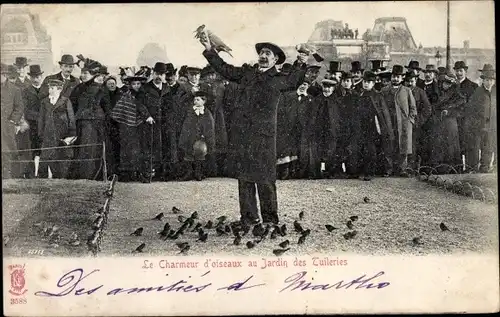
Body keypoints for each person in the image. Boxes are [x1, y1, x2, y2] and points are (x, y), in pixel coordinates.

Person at [200, 36, 306, 226]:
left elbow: (295, 80)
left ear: (275, 60)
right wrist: (210, 50)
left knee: (265, 178)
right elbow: (225, 69)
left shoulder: (279, 79)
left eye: (268, 54)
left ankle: (270, 219)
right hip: (244, 134)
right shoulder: (247, 73)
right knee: (245, 178)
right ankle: (248, 218)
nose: (263, 56)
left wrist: (301, 61)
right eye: (262, 53)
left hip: (265, 136)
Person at [70, 57, 111, 180]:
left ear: (93, 74)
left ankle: (92, 176)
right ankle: (83, 176)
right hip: (80, 125)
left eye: (85, 73)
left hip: (95, 126)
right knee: (82, 151)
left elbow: (107, 108)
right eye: (82, 73)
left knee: (92, 151)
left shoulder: (100, 89)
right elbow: (73, 105)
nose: (82, 75)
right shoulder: (78, 88)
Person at [110, 68, 153, 182]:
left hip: (140, 126)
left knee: (139, 150)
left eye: (139, 83)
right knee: (127, 149)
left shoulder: (144, 95)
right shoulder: (125, 96)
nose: (136, 86)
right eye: (134, 83)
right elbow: (118, 112)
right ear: (129, 84)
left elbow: (144, 108)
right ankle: (127, 174)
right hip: (126, 126)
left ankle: (139, 173)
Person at [352, 71, 394, 180]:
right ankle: (360, 171)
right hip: (361, 125)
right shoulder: (360, 94)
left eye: (369, 82)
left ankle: (369, 172)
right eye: (365, 82)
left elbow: (384, 114)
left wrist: (382, 128)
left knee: (371, 150)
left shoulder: (377, 96)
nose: (366, 84)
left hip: (373, 126)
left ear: (373, 83)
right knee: (360, 148)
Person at [380, 65, 417, 176]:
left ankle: (402, 169)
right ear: (391, 77)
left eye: (398, 77)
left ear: (402, 78)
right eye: (394, 76)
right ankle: (389, 168)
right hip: (389, 122)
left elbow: (413, 107)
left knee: (403, 146)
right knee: (389, 145)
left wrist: (410, 120)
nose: (396, 79)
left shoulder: (407, 91)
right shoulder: (384, 90)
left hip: (403, 123)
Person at [37, 79, 76, 179]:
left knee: (60, 161)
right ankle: (41, 183)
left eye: (52, 88)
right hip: (48, 135)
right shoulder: (44, 102)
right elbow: (41, 119)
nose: (50, 90)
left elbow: (71, 118)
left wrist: (71, 134)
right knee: (44, 160)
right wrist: (41, 134)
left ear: (59, 89)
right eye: (49, 87)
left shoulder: (65, 101)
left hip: (61, 136)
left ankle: (60, 181)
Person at [139, 62, 170, 182]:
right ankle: (147, 174)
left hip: (163, 123)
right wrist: (146, 116)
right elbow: (140, 104)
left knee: (163, 146)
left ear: (164, 75)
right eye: (157, 73)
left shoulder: (167, 88)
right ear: (153, 73)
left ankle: (161, 174)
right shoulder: (145, 88)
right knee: (149, 147)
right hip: (149, 122)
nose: (159, 76)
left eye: (161, 74)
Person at [276, 80, 313, 179]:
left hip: (301, 130)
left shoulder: (309, 99)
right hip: (287, 128)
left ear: (308, 86)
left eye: (305, 85)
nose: (303, 86)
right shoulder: (287, 96)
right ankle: (283, 172)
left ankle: (294, 172)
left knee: (297, 150)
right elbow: (280, 111)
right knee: (285, 150)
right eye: (301, 84)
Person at [430, 71, 467, 170]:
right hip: (439, 122)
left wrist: (449, 111)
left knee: (451, 145)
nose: (446, 85)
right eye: (444, 83)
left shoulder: (457, 95)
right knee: (439, 144)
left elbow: (461, 108)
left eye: (448, 83)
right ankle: (440, 168)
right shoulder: (438, 93)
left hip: (450, 122)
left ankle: (452, 168)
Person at [464, 64, 496, 172]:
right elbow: (470, 109)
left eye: (491, 80)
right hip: (479, 126)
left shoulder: (494, 92)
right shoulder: (477, 92)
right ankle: (473, 169)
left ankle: (485, 168)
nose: (489, 82)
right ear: (483, 80)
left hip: (491, 126)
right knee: (475, 148)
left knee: (488, 149)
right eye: (487, 80)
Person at [178, 91, 216, 181]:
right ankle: (189, 172)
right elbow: (186, 124)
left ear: (204, 101)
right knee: (188, 155)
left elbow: (209, 126)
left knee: (200, 154)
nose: (196, 101)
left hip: (200, 138)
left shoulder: (207, 113)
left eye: (198, 100)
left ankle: (198, 173)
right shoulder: (190, 111)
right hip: (189, 136)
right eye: (195, 100)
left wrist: (205, 136)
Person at [23, 65, 49, 177]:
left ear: (41, 76)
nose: (35, 79)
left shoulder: (47, 90)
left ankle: (43, 175)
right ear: (30, 77)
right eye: (33, 77)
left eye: (38, 76)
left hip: (44, 124)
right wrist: (37, 116)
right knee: (31, 149)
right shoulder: (25, 91)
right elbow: (24, 108)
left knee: (44, 149)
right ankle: (30, 175)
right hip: (31, 124)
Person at [1, 63, 25, 179]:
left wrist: (12, 121)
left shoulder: (15, 90)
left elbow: (19, 108)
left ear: (5, 75)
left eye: (2, 74)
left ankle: (9, 179)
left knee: (8, 152)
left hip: (7, 127)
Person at [453, 61, 479, 165]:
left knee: (469, 144)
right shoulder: (452, 85)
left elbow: (475, 105)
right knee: (456, 144)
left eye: (461, 71)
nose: (458, 73)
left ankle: (470, 167)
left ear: (465, 71)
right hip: (455, 120)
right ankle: (458, 167)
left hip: (467, 120)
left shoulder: (473, 86)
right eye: (457, 71)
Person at [405, 71, 431, 169]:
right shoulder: (402, 91)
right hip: (403, 123)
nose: (410, 84)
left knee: (414, 146)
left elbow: (427, 109)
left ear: (416, 80)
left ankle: (413, 167)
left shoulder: (420, 92)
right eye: (407, 82)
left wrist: (418, 121)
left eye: (412, 81)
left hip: (415, 124)